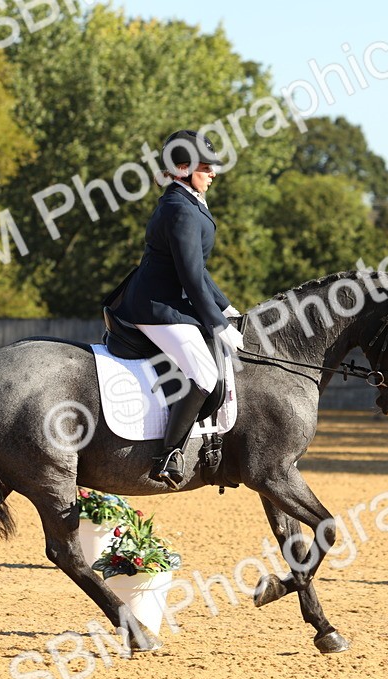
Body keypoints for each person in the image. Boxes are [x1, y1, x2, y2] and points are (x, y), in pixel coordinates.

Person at [111, 129, 244, 489]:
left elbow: (197, 269)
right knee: (204, 375)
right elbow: (189, 276)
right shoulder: (179, 209)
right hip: (157, 308)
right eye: (205, 167)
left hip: (171, 302)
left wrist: (225, 307)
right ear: (183, 169)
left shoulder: (187, 201)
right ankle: (169, 455)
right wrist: (217, 324)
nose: (213, 173)